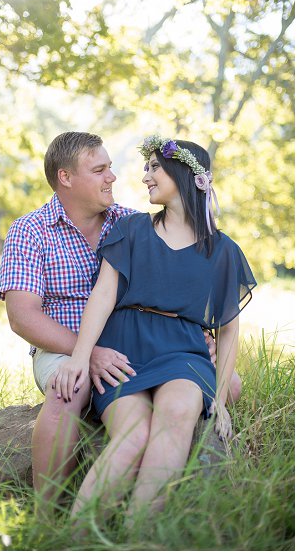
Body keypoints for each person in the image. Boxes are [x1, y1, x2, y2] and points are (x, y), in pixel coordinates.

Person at [0, 131, 241, 503]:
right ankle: (48, 515)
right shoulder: (30, 230)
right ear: (66, 177)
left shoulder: (128, 221)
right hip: (63, 345)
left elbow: (180, 280)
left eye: (110, 167)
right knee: (69, 388)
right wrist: (87, 352)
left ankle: (141, 518)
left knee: (228, 383)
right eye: (100, 170)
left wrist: (193, 335)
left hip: (127, 344)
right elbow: (22, 318)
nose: (113, 177)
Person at [52, 135, 255, 521]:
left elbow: (229, 329)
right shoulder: (132, 229)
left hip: (182, 351)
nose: (145, 176)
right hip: (125, 348)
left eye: (153, 168)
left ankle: (139, 533)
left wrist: (221, 404)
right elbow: (104, 294)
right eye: (146, 168)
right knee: (133, 433)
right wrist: (80, 358)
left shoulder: (223, 250)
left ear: (184, 173)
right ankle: (75, 536)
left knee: (178, 411)